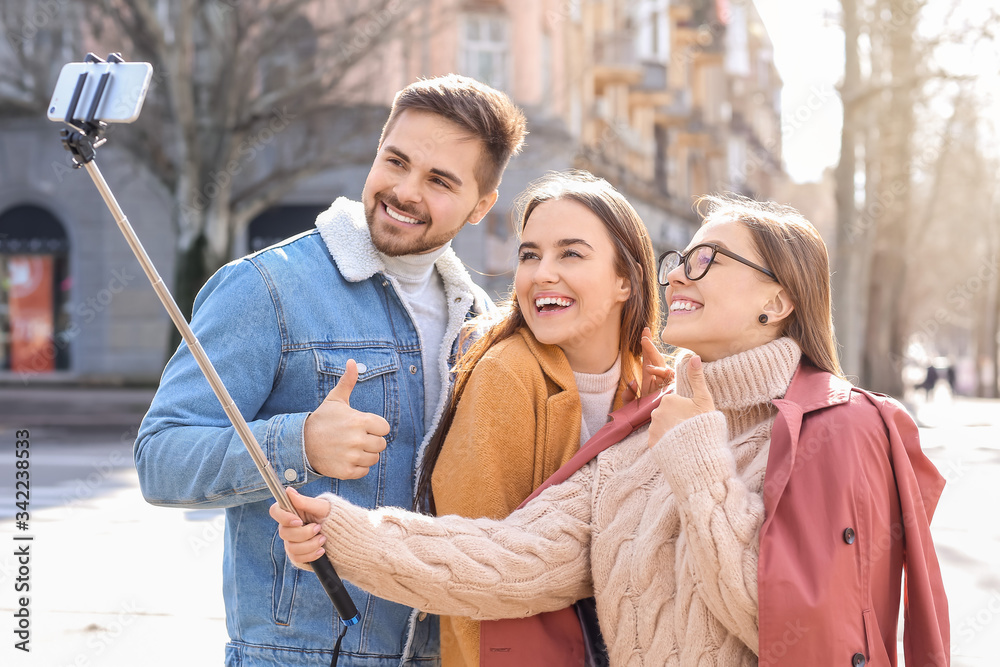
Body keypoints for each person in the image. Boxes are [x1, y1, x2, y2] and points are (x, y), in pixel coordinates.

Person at [273, 195, 950, 666]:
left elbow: (795, 630)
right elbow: (513, 559)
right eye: (682, 257)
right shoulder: (640, 437)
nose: (681, 272)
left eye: (710, 260)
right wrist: (339, 529)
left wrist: (699, 460)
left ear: (779, 300)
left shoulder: (841, 428)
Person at [135, 75, 527, 666]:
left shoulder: (483, 324)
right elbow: (160, 458)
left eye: (439, 180)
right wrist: (299, 443)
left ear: (481, 206)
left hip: (442, 652)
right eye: (395, 161)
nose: (403, 190)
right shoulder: (265, 287)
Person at [411, 170, 663, 666]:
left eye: (570, 253)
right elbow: (475, 562)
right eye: (530, 255)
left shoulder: (654, 384)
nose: (542, 272)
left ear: (625, 280)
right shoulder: (505, 375)